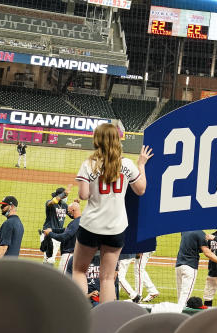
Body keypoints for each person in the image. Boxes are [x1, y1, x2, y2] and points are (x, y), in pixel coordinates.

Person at [73, 122, 153, 304]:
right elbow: (141, 190)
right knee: (107, 278)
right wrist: (141, 164)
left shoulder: (89, 164)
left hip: (91, 225)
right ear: (117, 140)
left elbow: (83, 195)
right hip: (116, 227)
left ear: (97, 140)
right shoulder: (126, 164)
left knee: (79, 271)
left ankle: (80, 313)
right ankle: (108, 323)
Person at [118, 188, 160, 303]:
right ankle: (152, 290)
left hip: (144, 247)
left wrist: (140, 248)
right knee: (139, 268)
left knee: (139, 269)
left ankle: (138, 295)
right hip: (144, 246)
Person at [175, 230, 217, 308]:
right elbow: (206, 252)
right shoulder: (204, 234)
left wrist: (215, 238)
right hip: (209, 270)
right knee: (206, 297)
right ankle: (205, 317)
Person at [44, 200, 81, 274]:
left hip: (69, 255)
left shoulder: (75, 223)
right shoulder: (79, 221)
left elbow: (63, 237)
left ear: (73, 210)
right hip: (75, 254)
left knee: (62, 278)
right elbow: (65, 230)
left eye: (69, 211)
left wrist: (50, 233)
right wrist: (53, 230)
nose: (69, 213)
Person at [41, 187, 69, 264]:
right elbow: (52, 202)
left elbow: (72, 215)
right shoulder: (50, 203)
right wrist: (63, 194)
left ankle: (44, 274)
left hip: (57, 235)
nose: (66, 198)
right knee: (49, 259)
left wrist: (76, 204)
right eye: (65, 196)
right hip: (48, 233)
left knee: (49, 259)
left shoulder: (65, 205)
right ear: (61, 196)